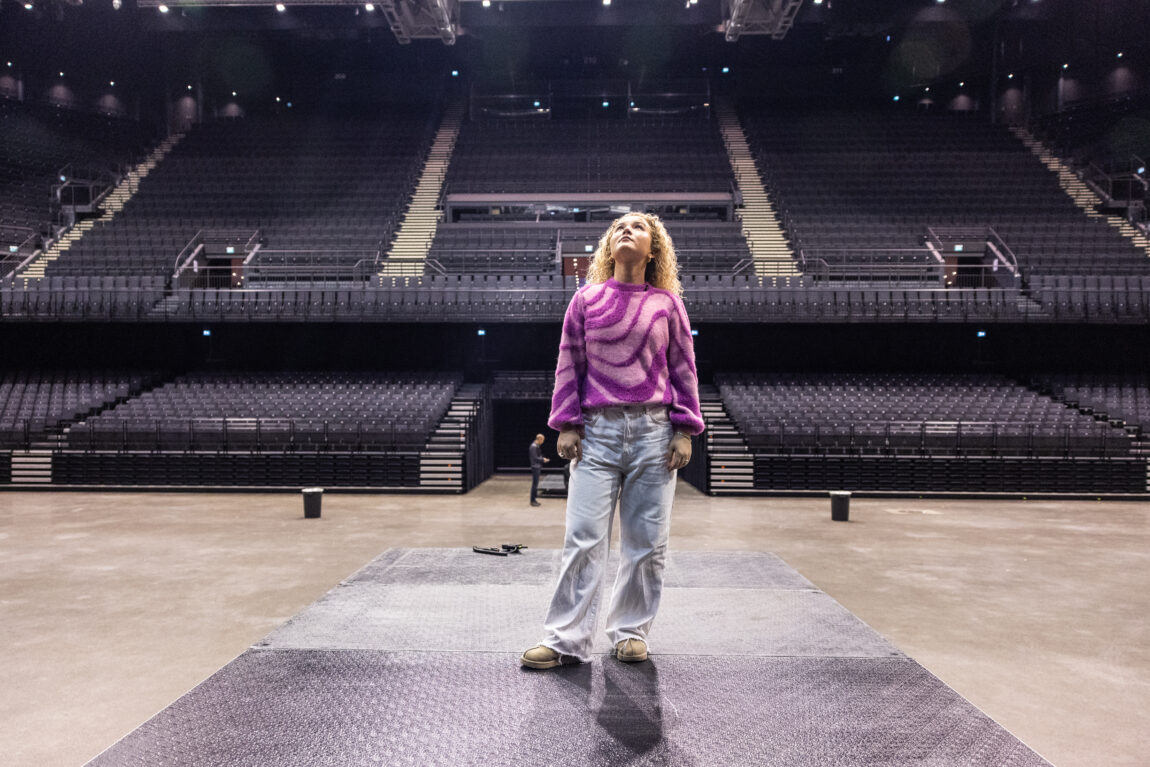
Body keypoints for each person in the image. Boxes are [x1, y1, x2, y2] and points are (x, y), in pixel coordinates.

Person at [521, 212, 704, 669]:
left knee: (647, 542)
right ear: (608, 246)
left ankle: (629, 633)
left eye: (639, 226)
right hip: (597, 436)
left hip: (654, 433)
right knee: (582, 539)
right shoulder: (585, 300)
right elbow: (569, 364)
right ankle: (565, 640)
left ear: (653, 248)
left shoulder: (667, 304)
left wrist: (684, 429)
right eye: (619, 226)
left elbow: (683, 370)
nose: (627, 229)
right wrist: (566, 422)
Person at [528, 433, 549, 507]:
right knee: (535, 484)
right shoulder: (533, 446)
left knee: (535, 484)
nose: (542, 442)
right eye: (542, 440)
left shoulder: (536, 446)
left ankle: (534, 499)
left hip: (537, 466)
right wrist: (543, 459)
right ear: (539, 439)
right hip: (535, 467)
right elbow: (535, 458)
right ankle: (532, 500)